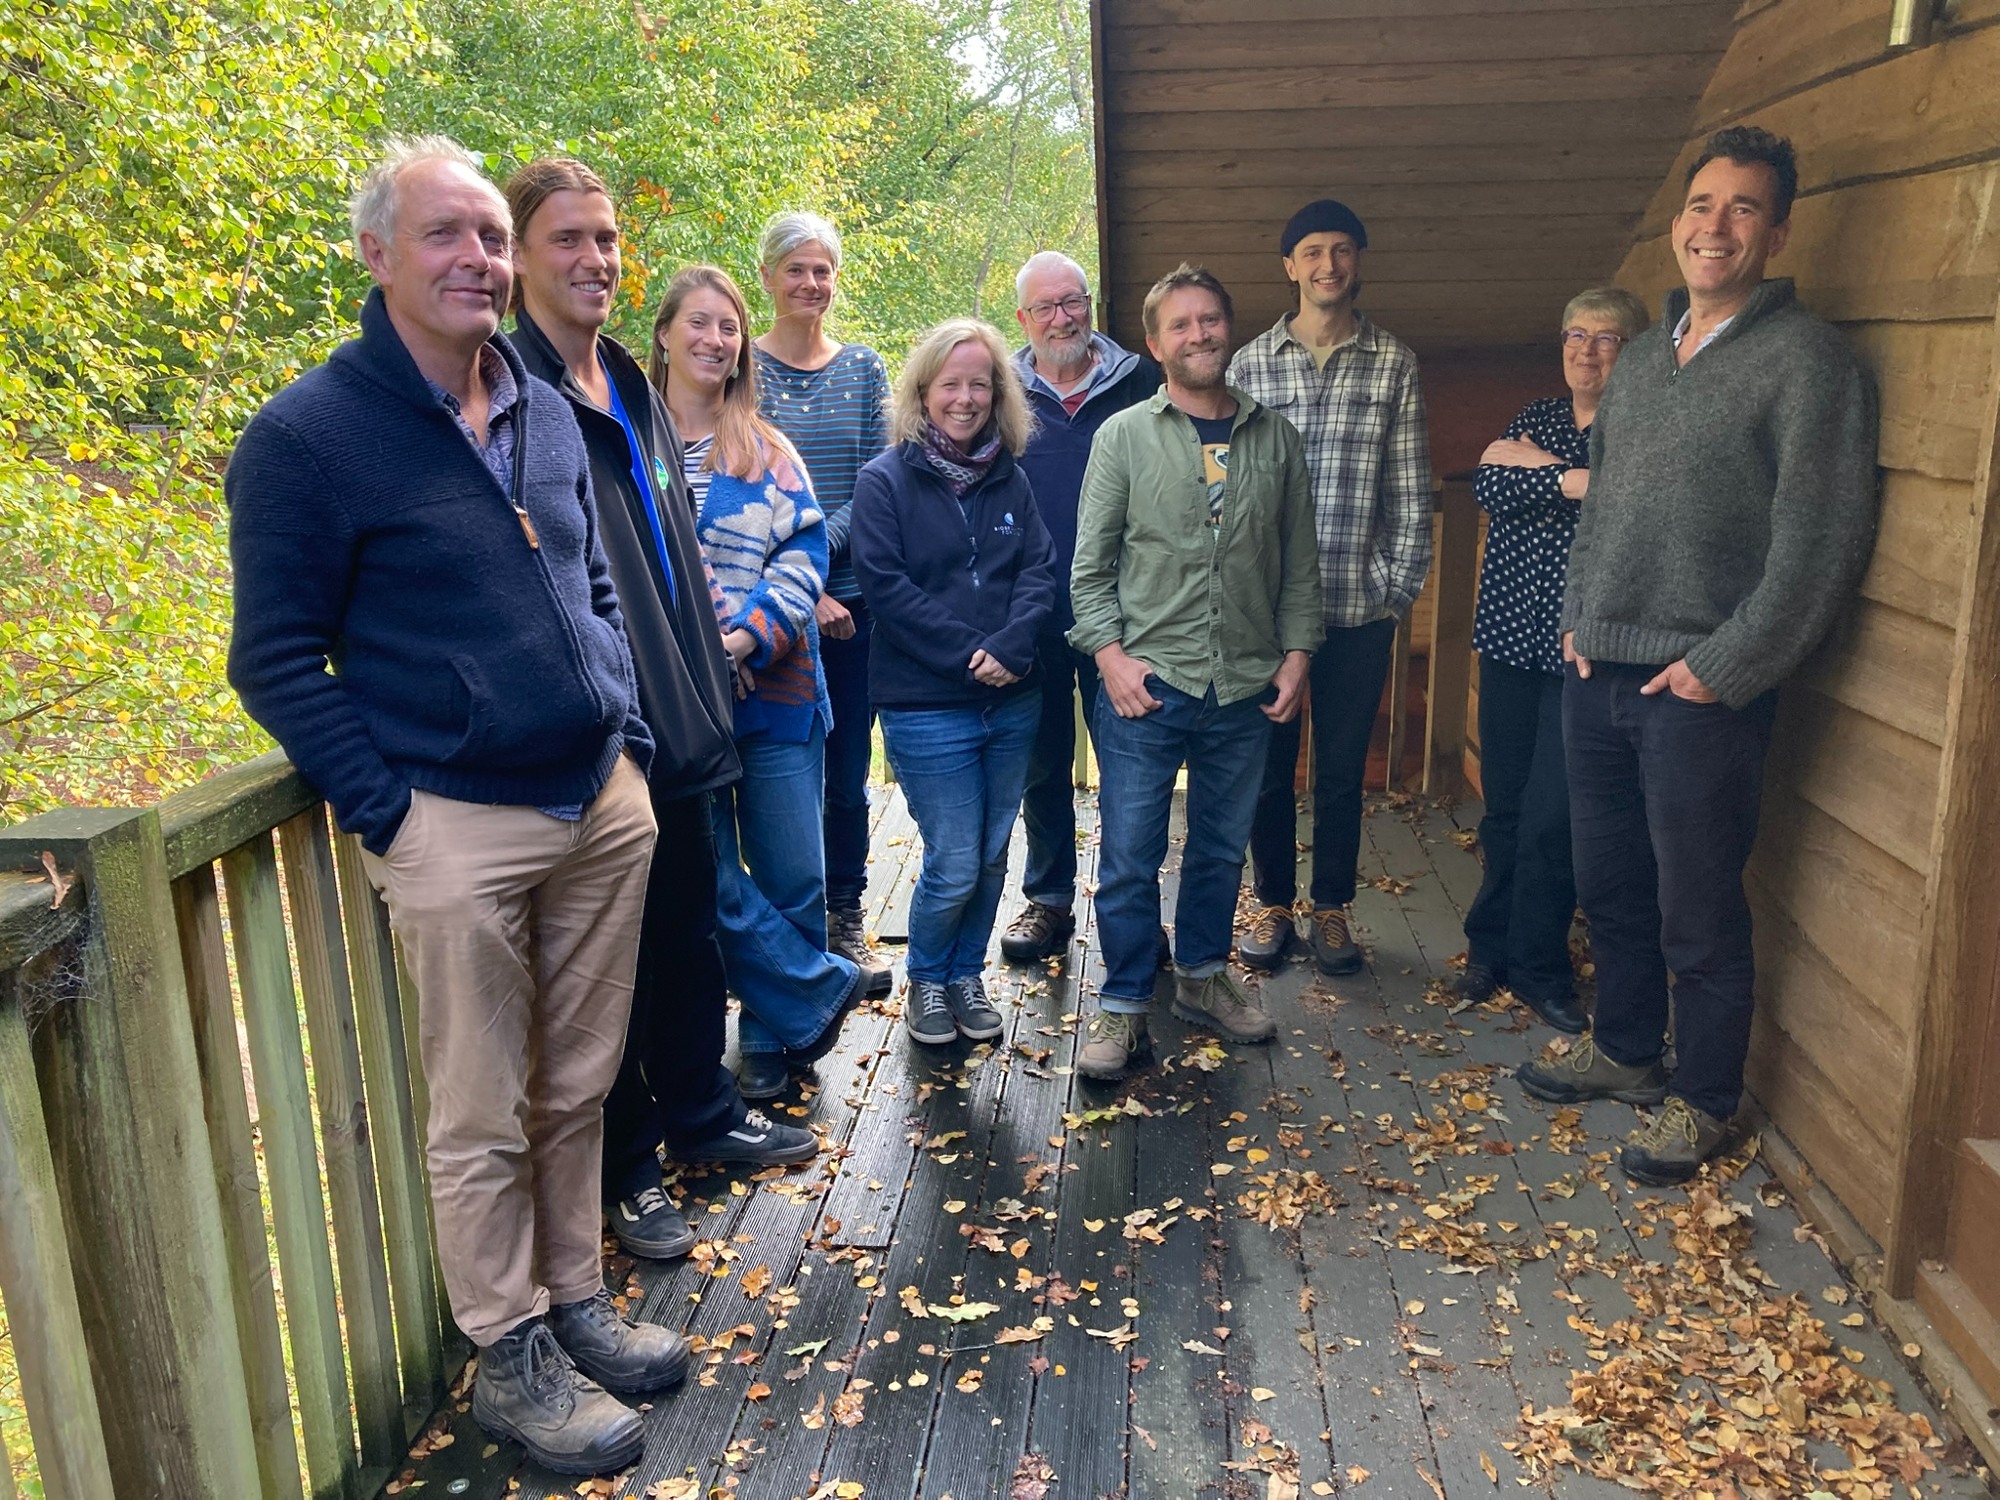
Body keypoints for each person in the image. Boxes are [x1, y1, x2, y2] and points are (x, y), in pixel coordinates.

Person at [227, 138, 682, 1477]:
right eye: (447, 235)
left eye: (490, 234)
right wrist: (391, 813)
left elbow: (591, 584)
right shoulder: (308, 438)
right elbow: (273, 659)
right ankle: (511, 1352)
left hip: (596, 801)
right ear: (377, 256)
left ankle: (576, 1297)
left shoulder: (540, 405)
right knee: (480, 1110)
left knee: (579, 1080)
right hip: (454, 822)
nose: (478, 258)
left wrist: (625, 737)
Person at [1517, 126, 1879, 1185]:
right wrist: (1577, 616)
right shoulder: (1639, 359)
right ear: (1677, 222)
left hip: (1701, 687)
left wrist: (1727, 665)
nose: (1714, 227)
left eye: (1742, 207)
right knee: (1611, 884)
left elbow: (1820, 542)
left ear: (1777, 232)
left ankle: (1705, 1096)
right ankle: (1627, 1048)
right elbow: (1601, 509)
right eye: (1701, 204)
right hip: (1599, 670)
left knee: (1698, 906)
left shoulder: (1808, 363)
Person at [505, 162, 817, 1271]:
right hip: (598, 742)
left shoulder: (627, 386)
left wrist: (711, 681)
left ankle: (702, 1111)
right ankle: (627, 1167)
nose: (594, 258)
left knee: (686, 938)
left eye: (605, 238)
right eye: (567, 239)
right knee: (609, 970)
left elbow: (672, 556)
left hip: (685, 720)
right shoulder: (515, 393)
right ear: (518, 257)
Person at [1068, 264, 1323, 1080]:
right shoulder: (1123, 437)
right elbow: (1089, 569)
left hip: (1244, 685)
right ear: (1155, 344)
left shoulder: (1275, 439)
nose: (1198, 334)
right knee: (1129, 857)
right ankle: (1123, 1003)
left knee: (1218, 849)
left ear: (1229, 328)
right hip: (1147, 686)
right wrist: (1109, 657)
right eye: (1179, 324)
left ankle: (1204, 978)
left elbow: (1299, 566)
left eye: (1210, 319)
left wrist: (1297, 656)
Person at [649, 264, 863, 1102]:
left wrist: (742, 639)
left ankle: (773, 1037)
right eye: (698, 323)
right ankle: (807, 996)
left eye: (729, 327)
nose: (715, 340)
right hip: (676, 707)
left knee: (792, 874)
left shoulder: (767, 450)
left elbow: (805, 556)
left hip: (776, 691)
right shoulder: (630, 448)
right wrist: (700, 659)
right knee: (701, 877)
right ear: (664, 333)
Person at [1228, 199, 1431, 978]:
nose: (1328, 265)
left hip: (1356, 609)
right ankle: (1274, 903)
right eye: (1312, 250)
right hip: (1266, 618)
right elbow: (1227, 491)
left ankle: (1333, 909)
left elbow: (1409, 492)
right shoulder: (1250, 366)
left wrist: (1393, 590)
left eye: (1342, 249)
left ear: (1358, 261)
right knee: (1268, 769)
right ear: (1290, 265)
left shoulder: (1393, 363)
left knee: (1343, 770)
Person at [850, 319, 1057, 1046]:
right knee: (957, 858)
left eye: (980, 384)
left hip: (1013, 701)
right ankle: (929, 980)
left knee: (994, 854)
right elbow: (887, 589)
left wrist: (1012, 647)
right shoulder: (884, 481)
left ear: (998, 394)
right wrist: (976, 654)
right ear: (923, 391)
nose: (965, 398)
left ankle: (966, 974)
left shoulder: (1011, 478)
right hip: (927, 705)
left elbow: (1039, 571)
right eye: (951, 384)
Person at [1458, 286, 1650, 1036]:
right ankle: (1488, 951)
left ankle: (1540, 967)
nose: (1587, 350)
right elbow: (1489, 481)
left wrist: (1546, 474)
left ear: (1633, 352)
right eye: (1575, 334)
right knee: (1504, 809)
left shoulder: (1640, 426)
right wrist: (1574, 480)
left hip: (1585, 656)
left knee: (1554, 818)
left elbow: (1633, 504)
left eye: (1606, 338)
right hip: (1509, 641)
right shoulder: (1537, 415)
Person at [999, 251, 1162, 964]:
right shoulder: (999, 393)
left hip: (1127, 619)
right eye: (1046, 307)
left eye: (1074, 302)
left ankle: (1136, 913)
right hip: (1031, 613)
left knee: (1133, 773)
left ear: (1090, 304)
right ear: (1023, 319)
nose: (1062, 318)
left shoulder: (1141, 383)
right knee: (1042, 765)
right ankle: (1049, 900)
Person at [753, 212, 894, 995]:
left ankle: (845, 917)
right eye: (797, 269)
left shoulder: (864, 369)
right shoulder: (743, 367)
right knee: (780, 776)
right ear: (768, 276)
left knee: (846, 775)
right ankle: (786, 933)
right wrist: (800, 600)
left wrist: (820, 573)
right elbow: (739, 486)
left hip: (852, 612)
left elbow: (875, 485)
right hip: (765, 617)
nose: (811, 283)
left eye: (823, 270)